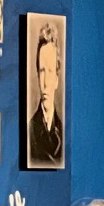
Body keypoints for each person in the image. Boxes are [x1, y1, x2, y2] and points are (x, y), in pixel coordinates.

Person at [29, 19, 66, 165]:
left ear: (56, 79)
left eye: (50, 71)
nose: (45, 83)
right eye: (42, 71)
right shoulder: (30, 131)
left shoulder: (64, 131)